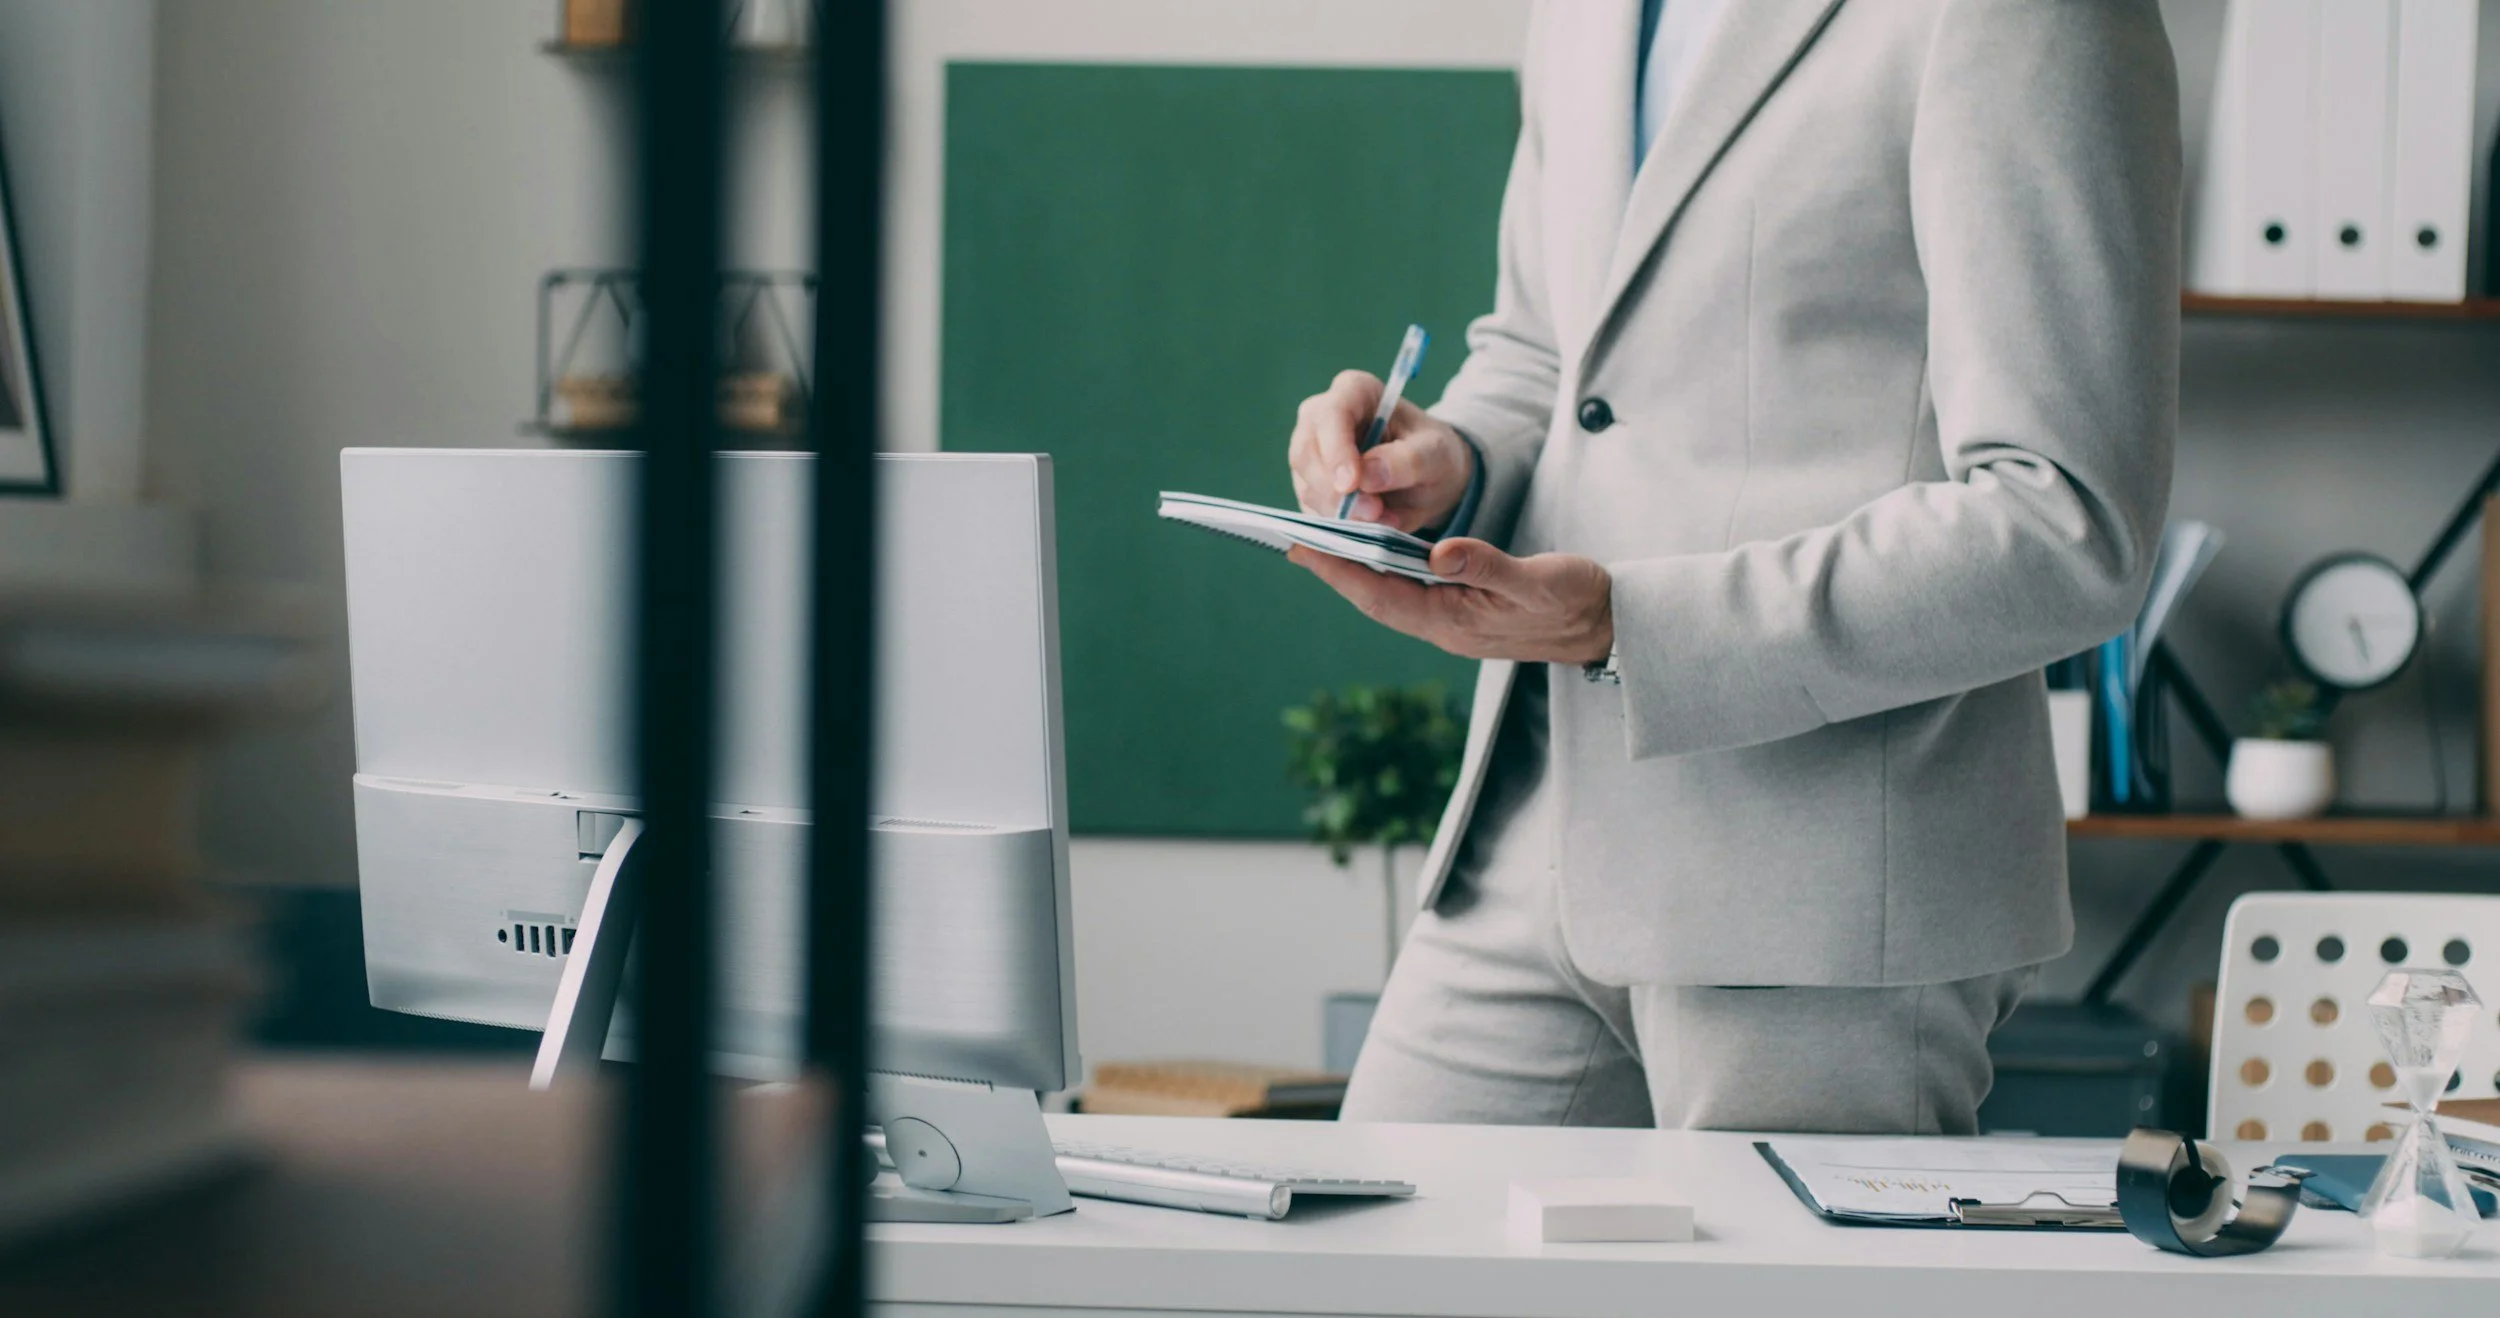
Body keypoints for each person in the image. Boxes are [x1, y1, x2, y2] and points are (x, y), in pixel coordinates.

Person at [1286, 0, 2179, 1133]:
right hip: (1527, 837)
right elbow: (1548, 356)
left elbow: (2067, 525)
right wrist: (1444, 464)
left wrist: (1632, 626)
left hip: (1826, 900)